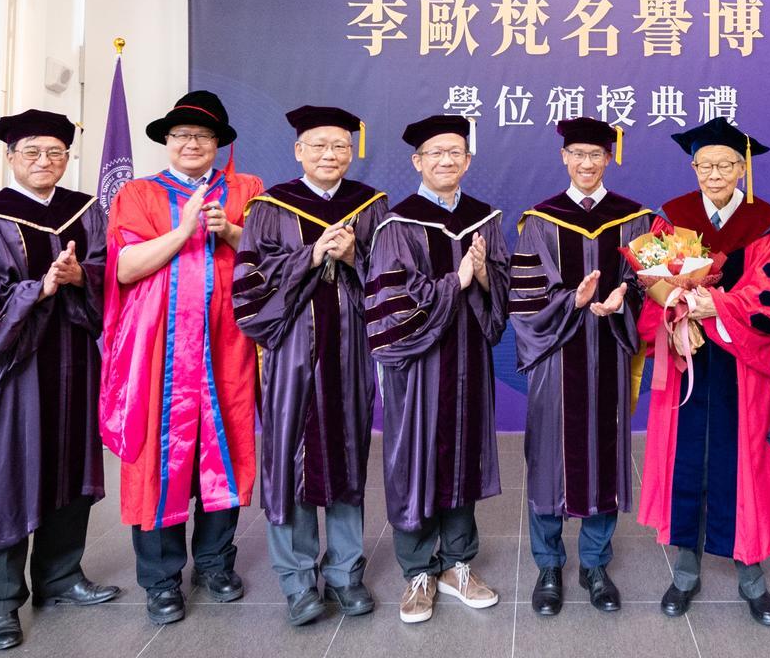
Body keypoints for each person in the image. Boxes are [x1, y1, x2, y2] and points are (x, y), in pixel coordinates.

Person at [0, 109, 117, 651]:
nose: (45, 162)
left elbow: (110, 283)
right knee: (5, 478)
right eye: (33, 153)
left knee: (67, 468)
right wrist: (36, 291)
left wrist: (79, 278)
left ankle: (60, 578)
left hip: (72, 364)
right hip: (10, 373)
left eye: (56, 154)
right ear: (11, 158)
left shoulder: (85, 213)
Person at [103, 91, 264, 626]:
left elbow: (272, 259)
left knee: (227, 447)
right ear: (167, 143)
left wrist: (231, 231)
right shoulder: (139, 194)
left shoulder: (247, 190)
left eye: (202, 135)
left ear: (218, 143)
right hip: (160, 351)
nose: (191, 143)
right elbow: (125, 269)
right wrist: (183, 229)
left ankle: (216, 563)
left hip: (227, 346)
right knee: (156, 456)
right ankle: (161, 578)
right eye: (180, 135)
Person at [233, 104, 386, 626]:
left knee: (346, 455)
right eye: (318, 145)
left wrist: (352, 257)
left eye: (340, 146)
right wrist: (312, 254)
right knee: (289, 462)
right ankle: (297, 580)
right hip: (291, 354)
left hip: (350, 355)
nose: (330, 154)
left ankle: (345, 573)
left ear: (352, 152)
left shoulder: (371, 206)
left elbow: (394, 275)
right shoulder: (270, 207)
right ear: (299, 150)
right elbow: (251, 284)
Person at [638, 116, 770, 627]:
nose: (715, 173)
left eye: (726, 163)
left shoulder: (769, 225)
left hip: (739, 364)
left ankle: (751, 571)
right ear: (694, 167)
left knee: (742, 459)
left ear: (742, 168)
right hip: (688, 357)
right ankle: (685, 569)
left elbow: (766, 299)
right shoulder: (672, 219)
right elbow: (653, 281)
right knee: (685, 455)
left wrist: (714, 305)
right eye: (705, 164)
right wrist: (681, 306)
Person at [364, 114, 510, 624]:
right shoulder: (396, 224)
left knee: (461, 457)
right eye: (436, 153)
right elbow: (394, 305)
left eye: (456, 153)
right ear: (417, 162)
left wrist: (487, 275)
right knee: (415, 460)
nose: (447, 160)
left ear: (468, 160)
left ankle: (459, 565)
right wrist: (459, 278)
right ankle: (418, 570)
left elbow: (504, 292)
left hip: (469, 363)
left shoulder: (485, 218)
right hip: (417, 370)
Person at [510, 117, 648, 617]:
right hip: (557, 357)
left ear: (608, 159)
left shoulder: (633, 218)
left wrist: (621, 296)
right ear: (564, 159)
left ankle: (594, 563)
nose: (587, 164)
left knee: (605, 452)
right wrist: (572, 301)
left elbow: (645, 281)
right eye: (578, 155)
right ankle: (549, 563)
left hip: (609, 351)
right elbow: (525, 297)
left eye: (596, 155)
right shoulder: (541, 221)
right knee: (549, 454)